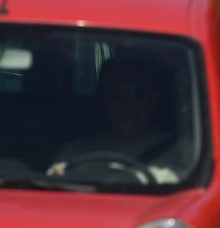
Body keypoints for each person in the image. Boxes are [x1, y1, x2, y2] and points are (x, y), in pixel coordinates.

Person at [49, 57, 185, 184]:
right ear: (103, 100)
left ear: (154, 99)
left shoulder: (184, 153)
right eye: (115, 94)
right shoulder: (72, 153)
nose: (127, 104)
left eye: (139, 93)